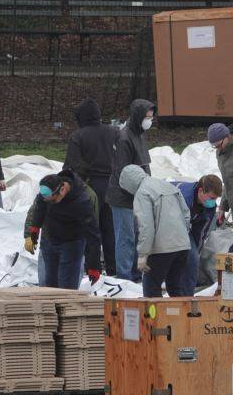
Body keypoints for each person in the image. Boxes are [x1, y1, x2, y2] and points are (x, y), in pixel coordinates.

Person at [63, 98, 119, 276]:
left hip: (90, 186)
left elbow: (72, 166)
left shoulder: (78, 136)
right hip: (112, 185)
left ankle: (90, 268)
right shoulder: (114, 132)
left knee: (89, 229)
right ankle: (113, 269)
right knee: (109, 229)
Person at [119, 165, 190, 298]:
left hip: (162, 249)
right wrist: (182, 235)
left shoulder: (142, 192)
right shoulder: (167, 185)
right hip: (183, 245)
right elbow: (186, 214)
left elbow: (146, 226)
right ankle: (180, 318)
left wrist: (143, 254)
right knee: (175, 287)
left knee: (151, 287)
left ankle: (156, 319)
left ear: (129, 183)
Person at [24, 170, 102, 289]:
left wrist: (94, 265)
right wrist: (34, 229)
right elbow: (40, 207)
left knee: (66, 289)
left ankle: (62, 308)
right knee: (49, 287)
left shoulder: (81, 202)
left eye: (53, 200)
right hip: (49, 241)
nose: (51, 203)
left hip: (71, 245)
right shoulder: (48, 192)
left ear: (62, 190)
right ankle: (52, 308)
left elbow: (93, 235)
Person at [106, 99, 155, 281]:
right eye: (147, 117)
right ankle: (124, 275)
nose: (150, 121)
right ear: (138, 116)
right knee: (125, 238)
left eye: (151, 117)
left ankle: (135, 273)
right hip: (123, 196)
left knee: (136, 235)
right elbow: (123, 171)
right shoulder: (125, 137)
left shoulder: (139, 134)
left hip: (137, 195)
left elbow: (142, 164)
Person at [172, 174, 223, 295]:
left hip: (184, 227)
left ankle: (187, 297)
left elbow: (201, 231)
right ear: (200, 191)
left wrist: (196, 250)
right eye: (211, 198)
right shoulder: (185, 199)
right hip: (168, 223)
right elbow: (175, 227)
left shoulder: (209, 207)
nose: (213, 202)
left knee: (192, 259)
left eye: (215, 199)